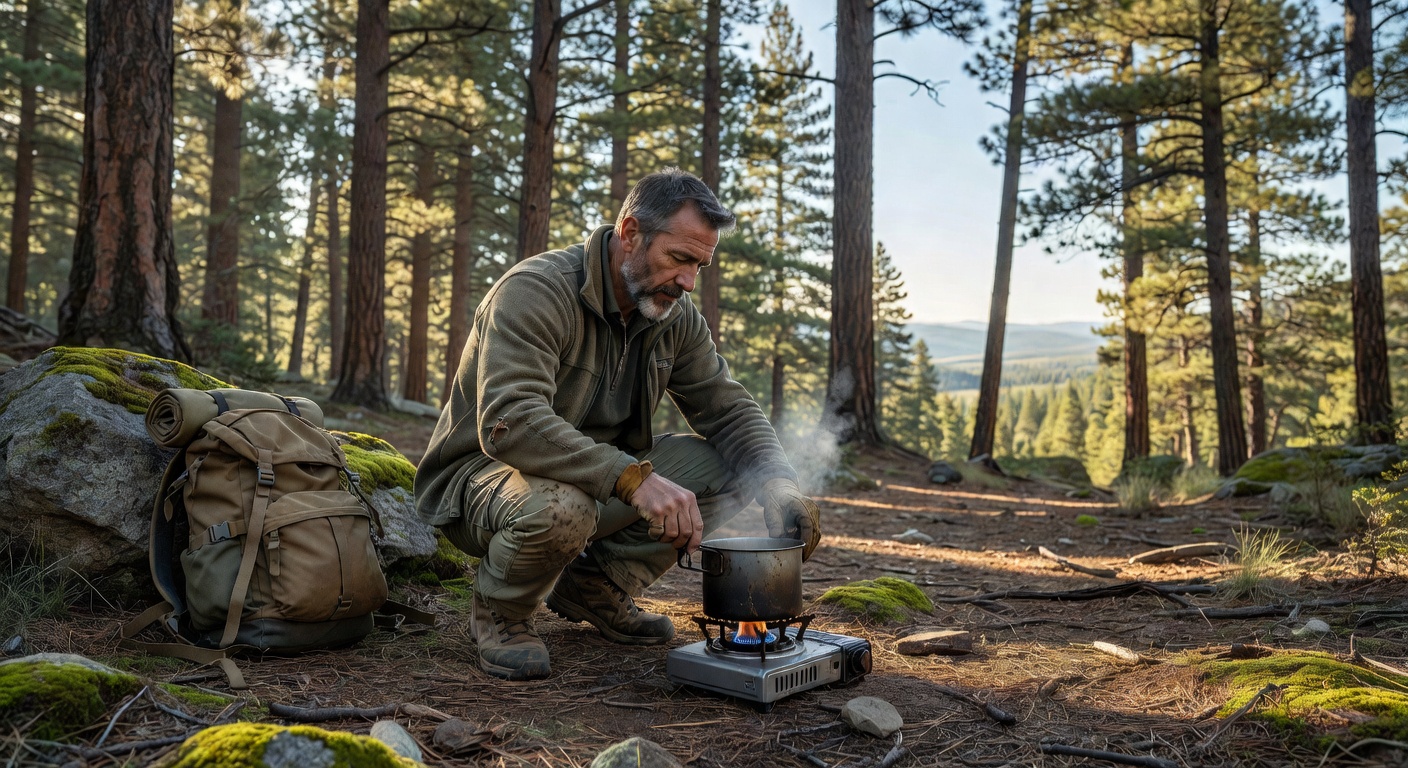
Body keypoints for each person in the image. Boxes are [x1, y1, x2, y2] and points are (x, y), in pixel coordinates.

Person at [414, 167, 821, 681]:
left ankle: (595, 584)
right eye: (679, 259)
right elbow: (510, 421)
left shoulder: (674, 315)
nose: (688, 281)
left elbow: (728, 408)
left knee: (732, 466)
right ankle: (501, 612)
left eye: (700, 265)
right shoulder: (537, 291)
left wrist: (780, 485)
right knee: (564, 505)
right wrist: (633, 479)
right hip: (483, 478)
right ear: (630, 233)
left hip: (598, 481)